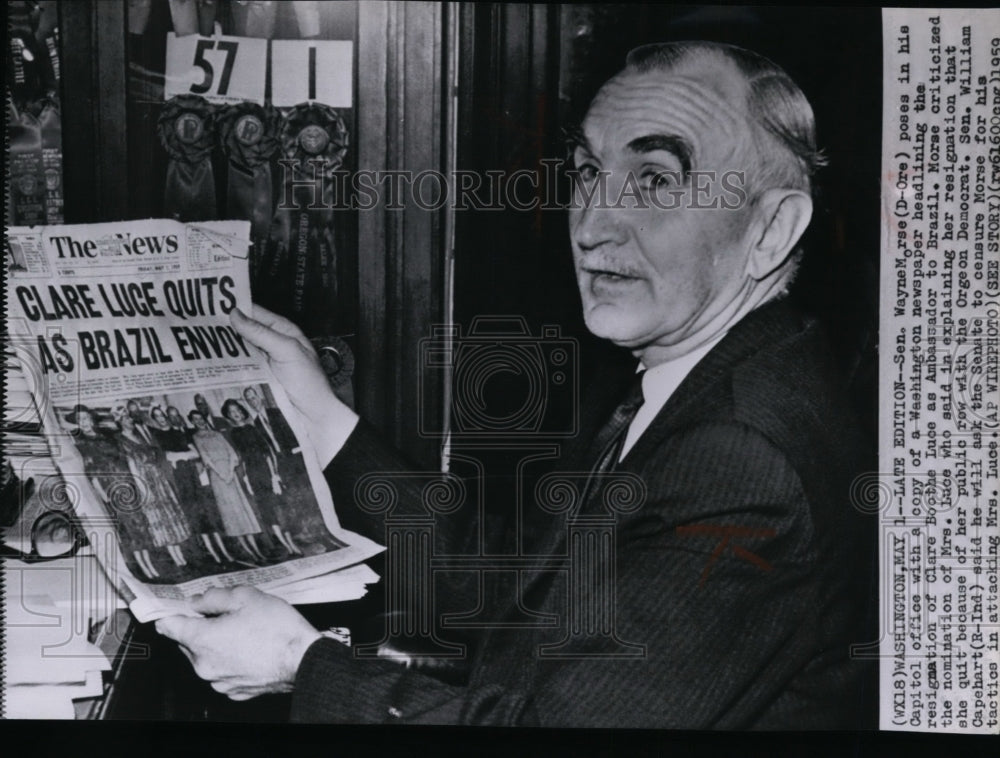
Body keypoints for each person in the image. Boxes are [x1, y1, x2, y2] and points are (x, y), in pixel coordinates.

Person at [155, 41, 872, 728]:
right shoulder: (716, 373)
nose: (593, 226)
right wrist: (319, 416)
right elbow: (523, 592)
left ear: (773, 231)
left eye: (655, 180)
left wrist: (297, 663)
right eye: (590, 173)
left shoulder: (743, 454)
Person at [68, 404, 158, 580]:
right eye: (80, 420)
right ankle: (143, 568)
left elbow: (127, 459)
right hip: (111, 489)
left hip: (128, 484)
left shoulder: (107, 437)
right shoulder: (81, 444)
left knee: (141, 525)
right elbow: (91, 471)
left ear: (92, 419)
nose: (84, 422)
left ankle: (150, 564)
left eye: (86, 418)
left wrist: (139, 484)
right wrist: (104, 495)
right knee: (129, 530)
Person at [151, 405, 235, 565]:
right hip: (179, 478)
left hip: (193, 474)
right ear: (154, 421)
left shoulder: (179, 433)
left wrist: (179, 456)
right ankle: (212, 553)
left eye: (162, 415)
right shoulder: (157, 436)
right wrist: (182, 455)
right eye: (157, 417)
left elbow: (195, 453)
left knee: (207, 511)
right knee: (194, 516)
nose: (161, 418)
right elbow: (166, 456)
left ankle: (223, 550)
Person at [222, 399, 302, 557]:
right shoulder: (233, 433)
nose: (236, 414)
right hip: (253, 475)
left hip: (267, 471)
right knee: (267, 510)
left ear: (242, 410)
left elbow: (268, 453)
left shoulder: (252, 428)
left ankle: (291, 542)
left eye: (237, 409)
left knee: (280, 508)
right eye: (231, 412)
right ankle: (286, 545)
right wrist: (246, 479)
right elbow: (242, 457)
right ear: (228, 416)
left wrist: (274, 476)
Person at [116, 406, 193, 569]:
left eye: (130, 418)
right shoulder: (121, 440)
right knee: (158, 517)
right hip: (145, 479)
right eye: (126, 418)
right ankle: (175, 557)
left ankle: (180, 554)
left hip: (158, 477)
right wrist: (143, 488)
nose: (130, 420)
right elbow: (132, 466)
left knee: (169, 514)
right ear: (120, 422)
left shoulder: (139, 436)